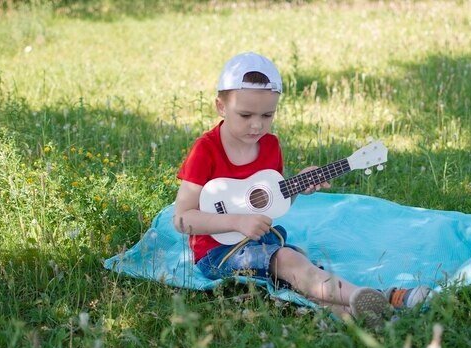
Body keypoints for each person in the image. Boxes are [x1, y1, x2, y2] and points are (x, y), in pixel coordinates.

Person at [173, 52, 429, 328]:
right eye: (245, 115)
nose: (257, 124)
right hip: (217, 253)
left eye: (267, 115)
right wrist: (236, 221)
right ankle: (380, 296)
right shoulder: (206, 150)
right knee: (289, 260)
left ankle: (371, 320)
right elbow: (182, 218)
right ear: (221, 107)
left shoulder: (270, 145)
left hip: (262, 241)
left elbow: (265, 201)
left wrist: (296, 188)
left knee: (301, 273)